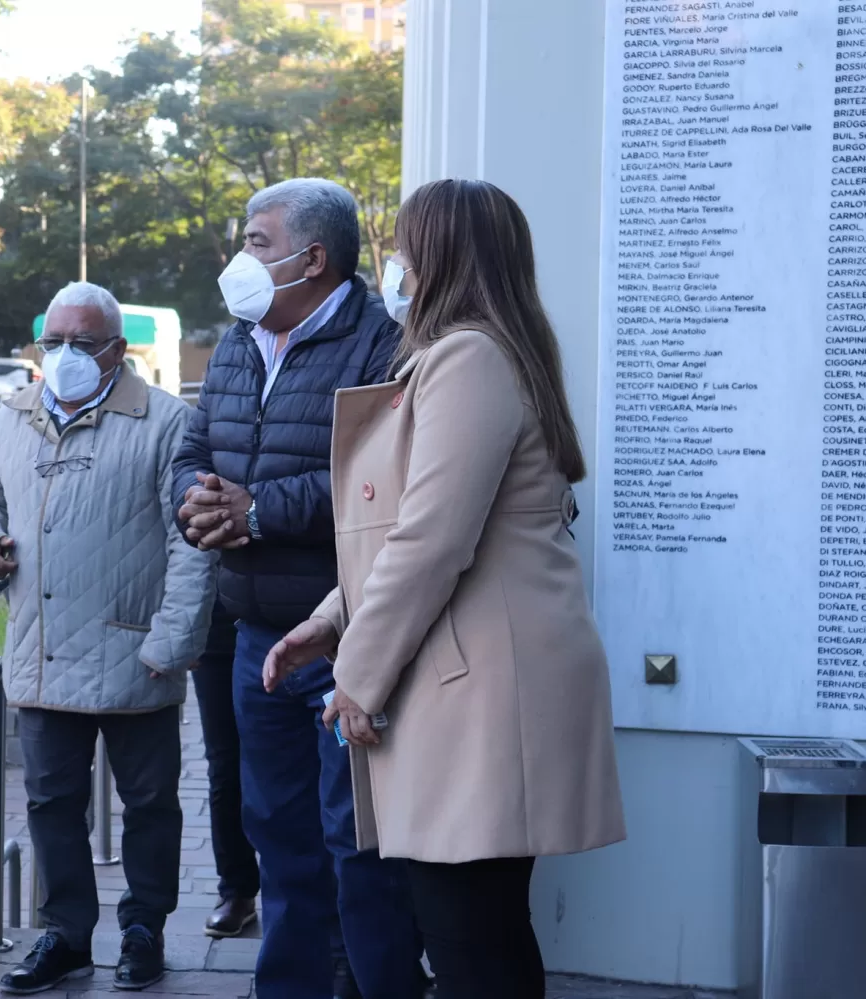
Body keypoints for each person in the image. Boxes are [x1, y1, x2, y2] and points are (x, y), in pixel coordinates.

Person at [264, 178, 627, 999]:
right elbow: (413, 525)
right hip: (485, 683)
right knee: (480, 929)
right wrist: (331, 621)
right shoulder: (488, 352)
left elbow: (431, 539)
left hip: (483, 692)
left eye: (406, 246)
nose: (396, 264)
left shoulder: (468, 357)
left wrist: (356, 673)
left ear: (442, 255)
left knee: (471, 937)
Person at [172, 178, 420, 999]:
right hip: (252, 636)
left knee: (357, 841)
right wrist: (195, 500)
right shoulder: (240, 340)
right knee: (274, 830)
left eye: (257, 242)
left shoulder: (381, 348)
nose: (241, 260)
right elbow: (195, 442)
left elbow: (379, 483)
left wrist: (259, 513)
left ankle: (374, 983)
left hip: (340, 637)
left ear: (312, 259)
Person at [0, 282, 215, 994]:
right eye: (54, 341)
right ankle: (66, 934)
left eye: (83, 342)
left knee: (151, 805)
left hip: (138, 653)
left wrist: (174, 639)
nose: (65, 355)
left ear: (116, 350)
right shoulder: (14, 417)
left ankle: (143, 930)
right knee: (49, 803)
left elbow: (193, 541)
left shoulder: (167, 422)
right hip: (44, 651)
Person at [189, 602, 259, 938]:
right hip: (218, 617)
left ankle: (313, 894)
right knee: (225, 766)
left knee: (301, 766)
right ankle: (237, 890)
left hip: (303, 610)